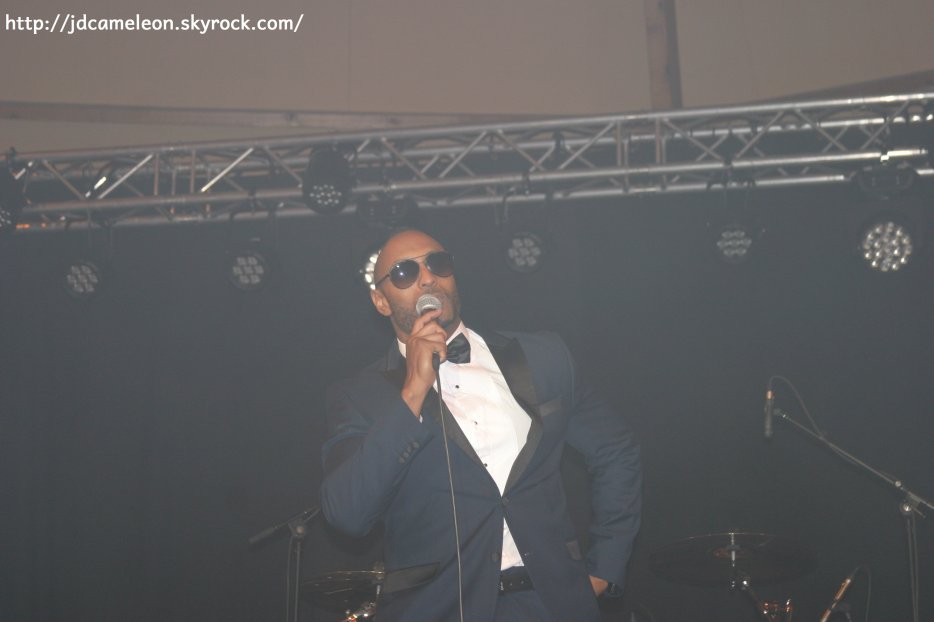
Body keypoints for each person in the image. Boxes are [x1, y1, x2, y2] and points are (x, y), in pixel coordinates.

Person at [320, 229, 641, 622]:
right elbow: (348, 514)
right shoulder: (358, 396)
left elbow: (615, 450)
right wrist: (413, 392)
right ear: (381, 301)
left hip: (553, 603)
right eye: (405, 272)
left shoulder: (542, 356)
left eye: (437, 263)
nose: (427, 278)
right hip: (438, 609)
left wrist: (605, 566)